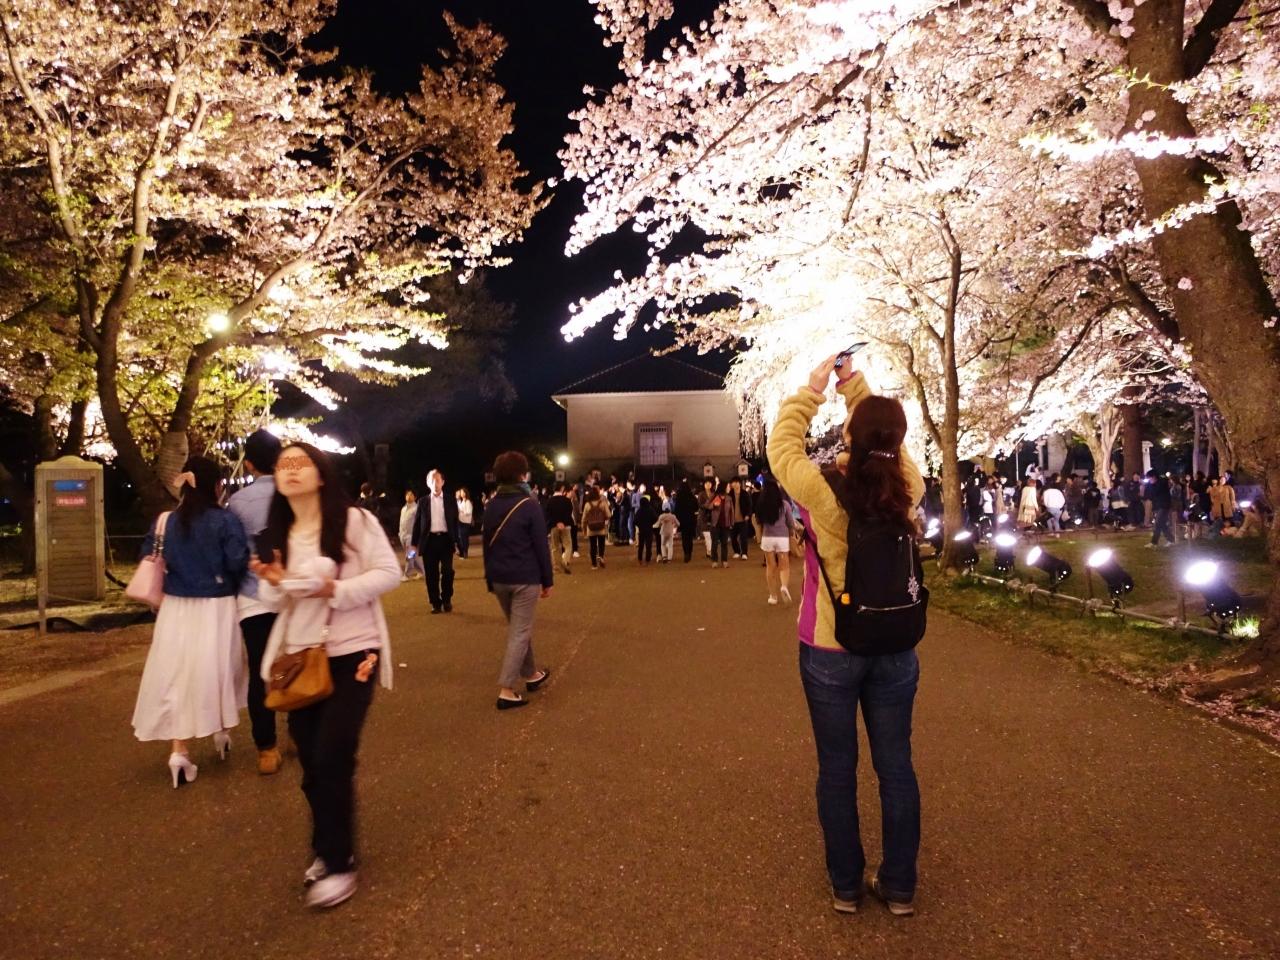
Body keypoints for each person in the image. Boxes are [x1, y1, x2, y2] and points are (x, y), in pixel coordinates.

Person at [767, 354, 926, 918]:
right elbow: (888, 444)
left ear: (850, 437)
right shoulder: (908, 485)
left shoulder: (822, 488)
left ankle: (846, 885)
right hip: (895, 643)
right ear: (897, 440)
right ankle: (899, 887)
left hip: (829, 646)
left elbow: (782, 447)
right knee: (896, 765)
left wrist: (813, 391)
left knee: (837, 769)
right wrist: (856, 387)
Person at [250, 442, 399, 910]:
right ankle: (330, 844)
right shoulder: (277, 533)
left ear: (320, 474)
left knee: (333, 752)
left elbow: (388, 573)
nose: (291, 470)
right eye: (284, 465)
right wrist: (274, 583)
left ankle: (337, 862)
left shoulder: (354, 521)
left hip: (354, 651)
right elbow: (273, 602)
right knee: (313, 763)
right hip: (300, 658)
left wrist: (334, 588)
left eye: (302, 463)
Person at [133, 457, 249, 789]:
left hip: (175, 607)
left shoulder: (165, 521)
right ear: (217, 485)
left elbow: (147, 555)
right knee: (216, 669)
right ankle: (220, 729)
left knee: (178, 674)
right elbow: (237, 561)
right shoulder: (225, 520)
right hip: (217, 605)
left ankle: (179, 751)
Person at [227, 429, 286, 775]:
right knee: (296, 661)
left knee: (260, 673)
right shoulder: (293, 494)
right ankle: (299, 731)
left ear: (248, 464)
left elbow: (234, 555)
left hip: (253, 597)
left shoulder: (237, 502)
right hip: (293, 592)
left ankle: (267, 748)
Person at [481, 451, 553, 710]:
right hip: (525, 576)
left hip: (499, 577)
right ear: (522, 475)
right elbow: (540, 545)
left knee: (518, 628)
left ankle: (531, 673)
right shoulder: (529, 504)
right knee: (520, 632)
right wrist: (547, 579)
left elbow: (487, 545)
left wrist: (489, 577)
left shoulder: (491, 505)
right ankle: (507, 689)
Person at [411, 469, 458, 614]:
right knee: (431, 574)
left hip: (446, 540)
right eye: (432, 480)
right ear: (427, 483)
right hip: (429, 541)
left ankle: (447, 599)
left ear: (443, 482)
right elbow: (417, 524)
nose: (435, 483)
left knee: (447, 571)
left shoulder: (450, 500)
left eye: (437, 480)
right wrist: (413, 544)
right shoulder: (422, 501)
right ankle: (435, 602)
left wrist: (457, 542)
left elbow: (455, 522)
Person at [755, 476, 796, 605]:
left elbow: (758, 522)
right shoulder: (784, 505)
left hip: (767, 538)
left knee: (770, 566)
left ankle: (773, 596)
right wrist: (792, 532)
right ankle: (784, 586)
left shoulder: (761, 505)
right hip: (782, 538)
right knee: (784, 565)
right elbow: (790, 523)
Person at [545, 483, 576, 575]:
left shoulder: (549, 501)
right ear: (562, 489)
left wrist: (557, 522)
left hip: (553, 526)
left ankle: (556, 567)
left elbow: (547, 514)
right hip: (565, 526)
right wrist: (563, 522)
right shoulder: (567, 501)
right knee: (568, 545)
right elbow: (569, 513)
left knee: (554, 547)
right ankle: (565, 561)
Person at [581, 485, 612, 569]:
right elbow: (609, 515)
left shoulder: (587, 504)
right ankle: (601, 556)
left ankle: (594, 564)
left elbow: (584, 518)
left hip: (591, 528)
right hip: (601, 527)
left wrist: (584, 529)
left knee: (593, 546)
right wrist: (604, 518)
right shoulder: (602, 503)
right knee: (601, 544)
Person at [1146, 471, 1175, 548]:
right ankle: (1171, 540)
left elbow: (1157, 492)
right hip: (1158, 506)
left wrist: (1152, 485)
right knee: (1162, 524)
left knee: (1158, 523)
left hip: (1164, 506)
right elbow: (1151, 495)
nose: (1149, 479)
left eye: (1149, 478)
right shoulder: (1153, 484)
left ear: (1154, 477)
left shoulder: (1161, 483)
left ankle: (1154, 542)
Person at [674, 478, 700, 563]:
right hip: (691, 519)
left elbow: (676, 509)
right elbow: (696, 507)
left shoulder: (679, 497)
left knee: (684, 538)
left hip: (682, 520)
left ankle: (686, 553)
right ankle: (689, 552)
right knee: (690, 538)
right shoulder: (691, 496)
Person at [398, 491, 422, 580]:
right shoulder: (403, 509)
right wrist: (400, 533)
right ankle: (421, 571)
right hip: (403, 536)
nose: (409, 496)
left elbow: (420, 523)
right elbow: (401, 522)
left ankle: (407, 574)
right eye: (407, 494)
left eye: (411, 494)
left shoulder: (417, 508)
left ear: (415, 497)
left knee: (409, 556)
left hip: (412, 536)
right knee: (414, 556)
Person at [710, 484, 734, 568]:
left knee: (724, 543)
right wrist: (714, 505)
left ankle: (724, 561)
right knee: (714, 543)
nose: (729, 488)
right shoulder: (715, 496)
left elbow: (731, 511)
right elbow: (707, 506)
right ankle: (714, 561)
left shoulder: (729, 498)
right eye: (727, 487)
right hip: (715, 524)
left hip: (725, 524)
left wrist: (731, 523)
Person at [634, 487, 659, 564]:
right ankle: (648, 559)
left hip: (641, 530)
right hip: (649, 529)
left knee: (641, 546)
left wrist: (639, 525)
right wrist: (651, 523)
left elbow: (635, 521)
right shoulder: (650, 509)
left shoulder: (639, 511)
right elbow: (656, 518)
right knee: (648, 546)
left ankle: (640, 559)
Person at [455, 488, 475, 559]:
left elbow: (469, 512)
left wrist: (461, 511)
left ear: (466, 493)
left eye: (463, 492)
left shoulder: (467, 501)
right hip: (461, 521)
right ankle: (463, 552)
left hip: (465, 522)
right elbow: (458, 509)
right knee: (461, 538)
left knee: (464, 538)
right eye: (461, 492)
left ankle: (465, 553)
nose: (461, 493)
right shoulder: (462, 501)